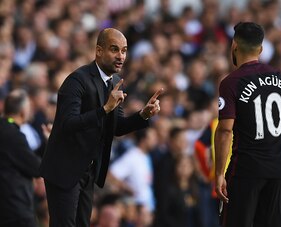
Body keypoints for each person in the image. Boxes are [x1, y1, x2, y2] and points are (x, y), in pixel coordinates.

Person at [39, 28, 163, 227]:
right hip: (64, 169)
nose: (121, 56)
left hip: (87, 171)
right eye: (114, 50)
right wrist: (105, 109)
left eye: (124, 50)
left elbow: (117, 127)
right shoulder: (76, 81)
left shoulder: (115, 83)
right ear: (98, 51)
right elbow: (67, 124)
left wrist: (143, 115)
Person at [214, 22, 281, 227]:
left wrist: (218, 173)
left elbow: (225, 130)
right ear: (260, 49)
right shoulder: (280, 78)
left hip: (245, 171)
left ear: (234, 46)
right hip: (277, 172)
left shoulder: (231, 83)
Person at [0, 89, 41, 227]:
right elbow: (36, 168)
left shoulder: (5, 128)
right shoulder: (14, 135)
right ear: (23, 111)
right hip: (15, 207)